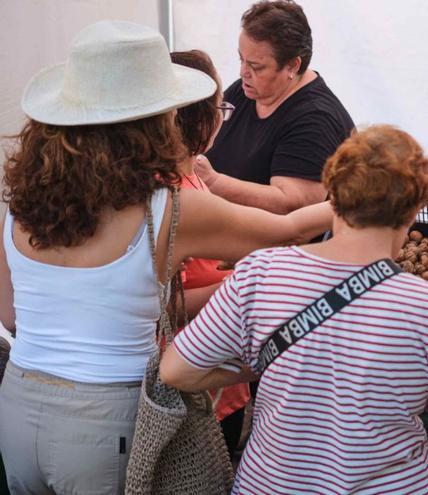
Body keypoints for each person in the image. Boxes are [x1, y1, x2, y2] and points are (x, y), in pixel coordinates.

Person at [0, 21, 332, 493]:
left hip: (18, 403)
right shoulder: (169, 206)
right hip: (107, 419)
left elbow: (10, 314)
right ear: (156, 120)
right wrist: (374, 198)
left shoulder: (22, 206)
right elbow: (289, 230)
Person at [161, 125, 428, 494]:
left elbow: (177, 371)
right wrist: (424, 391)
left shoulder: (260, 273)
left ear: (331, 195)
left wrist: (264, 360)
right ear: (415, 209)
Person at [196, 0, 355, 214]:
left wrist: (213, 182)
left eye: (256, 66)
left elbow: (293, 202)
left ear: (292, 65)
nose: (243, 71)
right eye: (241, 59)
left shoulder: (316, 119)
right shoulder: (246, 90)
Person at [170, 49, 252, 456]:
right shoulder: (175, 194)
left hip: (218, 382)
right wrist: (242, 283)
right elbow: (168, 307)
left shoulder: (192, 175)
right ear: (199, 117)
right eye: (221, 106)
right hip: (191, 392)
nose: (223, 116)